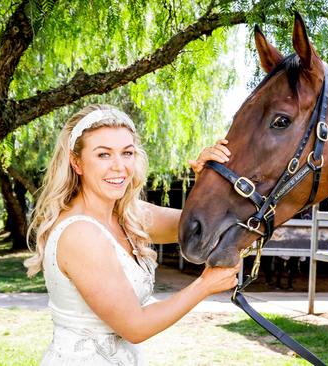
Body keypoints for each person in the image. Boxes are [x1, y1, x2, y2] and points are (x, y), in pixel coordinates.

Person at [24, 104, 239, 365]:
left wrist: (207, 179)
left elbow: (198, 226)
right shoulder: (80, 234)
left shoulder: (129, 215)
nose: (119, 167)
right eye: (103, 155)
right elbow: (135, 327)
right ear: (77, 162)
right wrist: (205, 285)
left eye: (127, 153)